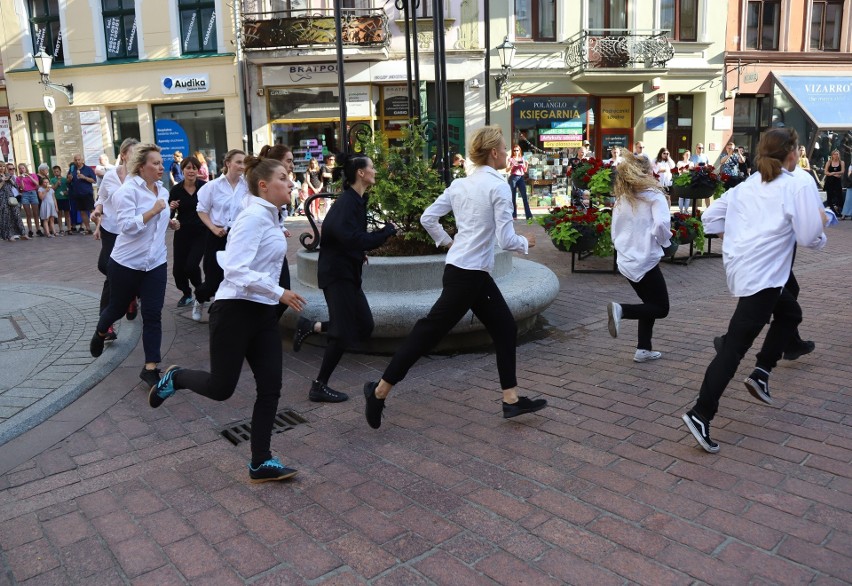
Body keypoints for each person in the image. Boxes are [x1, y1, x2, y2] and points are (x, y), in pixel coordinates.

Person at [361, 125, 545, 429]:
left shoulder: (460, 185)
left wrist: (449, 242)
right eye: (503, 148)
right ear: (494, 152)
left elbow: (427, 218)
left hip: (466, 271)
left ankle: (511, 400)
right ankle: (379, 392)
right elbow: (507, 238)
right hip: (468, 276)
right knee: (428, 333)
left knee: (504, 329)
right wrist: (527, 241)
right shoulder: (497, 186)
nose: (506, 154)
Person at [147, 156, 306, 483]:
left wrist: (272, 291)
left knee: (271, 387)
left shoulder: (271, 216)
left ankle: (260, 461)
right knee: (222, 389)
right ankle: (175, 378)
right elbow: (234, 269)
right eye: (283, 177)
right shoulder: (252, 218)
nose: (291, 182)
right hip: (233, 310)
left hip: (260, 312)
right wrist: (279, 292)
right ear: (264, 185)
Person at [681, 128, 827, 454]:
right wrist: (823, 221)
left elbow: (711, 219)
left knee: (791, 312)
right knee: (733, 349)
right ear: (792, 154)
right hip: (763, 279)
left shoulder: (749, 183)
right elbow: (808, 237)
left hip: (751, 274)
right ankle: (701, 412)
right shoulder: (796, 184)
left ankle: (762, 372)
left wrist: (740, 232)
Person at [292, 154, 396, 403]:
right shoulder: (347, 202)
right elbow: (344, 235)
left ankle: (312, 327)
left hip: (347, 272)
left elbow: (348, 236)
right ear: (360, 172)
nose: (375, 171)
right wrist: (384, 233)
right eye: (371, 167)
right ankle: (319, 385)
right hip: (336, 274)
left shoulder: (357, 200)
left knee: (364, 325)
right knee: (340, 332)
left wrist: (358, 251)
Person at [89, 144, 181, 389]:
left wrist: (169, 222)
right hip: (126, 263)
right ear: (142, 166)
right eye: (156, 163)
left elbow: (157, 223)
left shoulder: (162, 190)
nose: (161, 167)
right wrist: (153, 211)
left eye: (162, 162)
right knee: (117, 308)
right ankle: (100, 332)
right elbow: (127, 227)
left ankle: (150, 368)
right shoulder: (126, 191)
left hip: (155, 264)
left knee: (152, 314)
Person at [606, 154, 671, 363]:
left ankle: (643, 349)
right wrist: (664, 241)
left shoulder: (622, 198)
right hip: (645, 259)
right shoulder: (655, 195)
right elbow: (661, 226)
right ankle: (622, 310)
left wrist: (622, 248)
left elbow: (614, 230)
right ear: (648, 172)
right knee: (661, 308)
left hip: (626, 259)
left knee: (649, 303)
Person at [92, 138, 139, 344]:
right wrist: (97, 212)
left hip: (130, 232)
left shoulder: (139, 178)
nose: (137, 155)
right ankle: (128, 295)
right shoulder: (110, 176)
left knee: (112, 275)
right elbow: (101, 199)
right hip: (111, 228)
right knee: (106, 266)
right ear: (124, 154)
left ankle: (107, 324)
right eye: (133, 151)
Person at [193, 149, 247, 321]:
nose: (241, 166)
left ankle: (222, 311)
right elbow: (201, 210)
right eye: (238, 162)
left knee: (235, 276)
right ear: (228, 163)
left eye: (244, 162)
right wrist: (213, 228)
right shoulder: (213, 186)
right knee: (213, 278)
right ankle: (200, 298)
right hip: (217, 235)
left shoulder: (248, 186)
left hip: (239, 237)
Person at [258, 144, 295, 320]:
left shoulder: (278, 191)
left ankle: (267, 328)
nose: (292, 165)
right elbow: (236, 270)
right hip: (263, 250)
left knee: (281, 295)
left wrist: (280, 228)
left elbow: (274, 215)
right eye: (288, 161)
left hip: (275, 249)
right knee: (276, 295)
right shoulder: (253, 211)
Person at [169, 155, 207, 308]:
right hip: (182, 233)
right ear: (182, 170)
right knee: (178, 270)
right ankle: (186, 293)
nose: (191, 171)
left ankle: (200, 291)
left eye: (194, 168)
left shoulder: (205, 187)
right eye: (188, 168)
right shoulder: (176, 190)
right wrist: (171, 210)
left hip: (201, 232)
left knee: (191, 266)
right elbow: (170, 215)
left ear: (198, 170)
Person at [67, 154, 97, 234]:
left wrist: (85, 177)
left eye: (79, 160)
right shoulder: (72, 169)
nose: (77, 161)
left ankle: (99, 227)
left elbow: (94, 180)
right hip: (77, 194)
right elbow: (68, 181)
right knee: (82, 212)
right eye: (76, 160)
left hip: (87, 193)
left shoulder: (88, 169)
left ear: (82, 160)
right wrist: (69, 179)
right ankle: (88, 229)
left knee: (92, 211)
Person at [0, 167, 28, 241]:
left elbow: (16, 186)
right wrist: (3, 181)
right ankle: (9, 235)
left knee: (17, 215)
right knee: (7, 216)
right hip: (2, 198)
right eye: (0, 166)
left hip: (11, 197)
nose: (1, 168)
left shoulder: (8, 175)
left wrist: (10, 179)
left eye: (3, 166)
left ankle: (23, 233)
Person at [15, 163, 41, 237]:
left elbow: (37, 184)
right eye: (20, 168)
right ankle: (30, 230)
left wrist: (29, 176)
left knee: (35, 213)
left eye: (23, 168)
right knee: (28, 214)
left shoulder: (33, 175)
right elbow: (22, 188)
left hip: (33, 193)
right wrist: (22, 179)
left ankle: (38, 229)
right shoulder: (18, 178)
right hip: (25, 194)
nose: (21, 169)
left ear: (26, 168)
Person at [507, 145, 532, 220]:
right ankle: (514, 215)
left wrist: (526, 165)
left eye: (517, 150)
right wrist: (512, 165)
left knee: (524, 197)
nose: (516, 152)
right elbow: (506, 170)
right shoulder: (511, 159)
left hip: (521, 178)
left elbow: (524, 170)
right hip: (513, 178)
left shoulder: (522, 159)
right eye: (514, 150)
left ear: (520, 151)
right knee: (513, 197)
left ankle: (529, 215)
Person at [822, 149, 845, 216]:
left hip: (837, 182)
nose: (836, 155)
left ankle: (839, 211)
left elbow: (842, 171)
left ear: (839, 155)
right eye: (834, 154)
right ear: (832, 155)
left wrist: (833, 173)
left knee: (839, 196)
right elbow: (825, 172)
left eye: (837, 154)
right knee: (830, 196)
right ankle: (832, 211)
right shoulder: (829, 162)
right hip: (830, 181)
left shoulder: (842, 162)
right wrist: (834, 174)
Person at [51, 165, 71, 235]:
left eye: (57, 171)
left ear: (60, 171)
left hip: (65, 198)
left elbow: (68, 188)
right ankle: (61, 229)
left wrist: (67, 192)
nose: (56, 173)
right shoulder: (52, 180)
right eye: (55, 172)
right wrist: (56, 184)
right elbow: (52, 189)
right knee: (59, 214)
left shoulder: (64, 179)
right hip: (57, 198)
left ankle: (69, 228)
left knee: (67, 214)